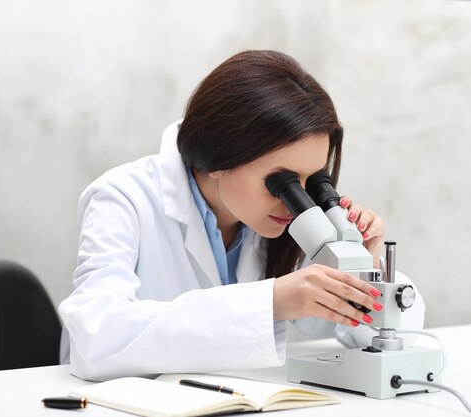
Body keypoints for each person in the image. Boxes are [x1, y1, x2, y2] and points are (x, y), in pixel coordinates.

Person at [58, 50, 424, 381]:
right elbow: (96, 338)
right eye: (281, 183)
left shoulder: (274, 223)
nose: (295, 203)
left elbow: (361, 335)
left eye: (311, 182)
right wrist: (270, 302)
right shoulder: (122, 198)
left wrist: (365, 268)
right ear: (219, 158)